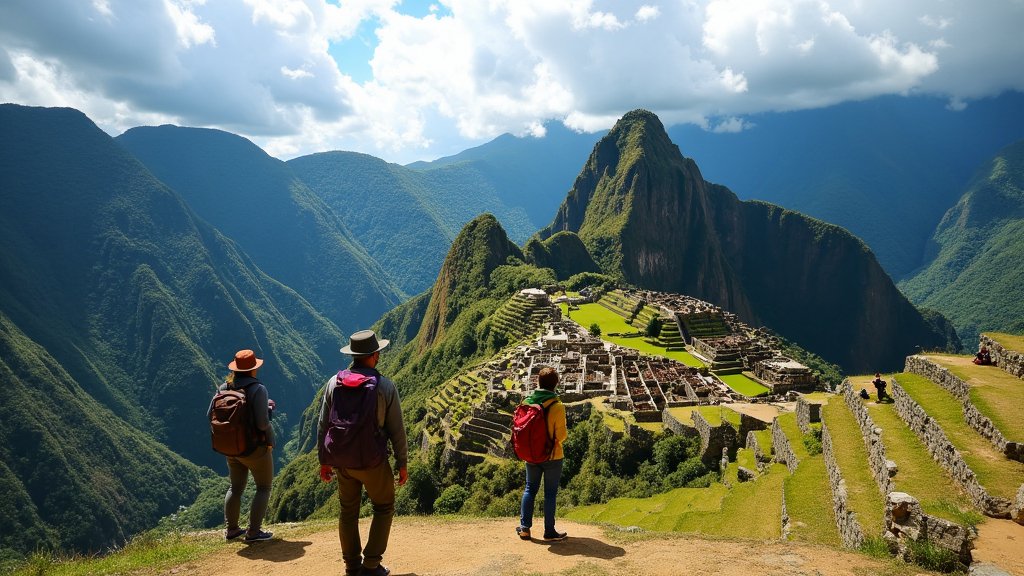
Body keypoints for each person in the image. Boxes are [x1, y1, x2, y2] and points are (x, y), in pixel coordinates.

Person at [318, 330, 408, 576]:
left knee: (348, 511)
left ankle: (352, 565)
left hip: (342, 460)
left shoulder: (333, 383)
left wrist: (324, 461)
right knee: (384, 507)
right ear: (374, 355)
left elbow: (323, 424)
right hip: (373, 461)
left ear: (353, 356)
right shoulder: (385, 387)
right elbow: (396, 429)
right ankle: (371, 565)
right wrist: (402, 463)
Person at [207, 349, 276, 542]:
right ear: (254, 369)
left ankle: (232, 530)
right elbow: (262, 423)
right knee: (264, 487)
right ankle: (254, 533)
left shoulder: (223, 388)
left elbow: (209, 416)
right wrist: (270, 440)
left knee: (235, 488)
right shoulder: (258, 389)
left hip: (231, 448)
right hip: (255, 448)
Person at [516, 366, 569, 542]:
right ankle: (549, 531)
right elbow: (561, 436)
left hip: (531, 454)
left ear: (538, 382)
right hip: (552, 456)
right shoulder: (556, 406)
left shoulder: (526, 402)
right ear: (556, 385)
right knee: (550, 494)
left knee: (530, 489)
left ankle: (524, 528)